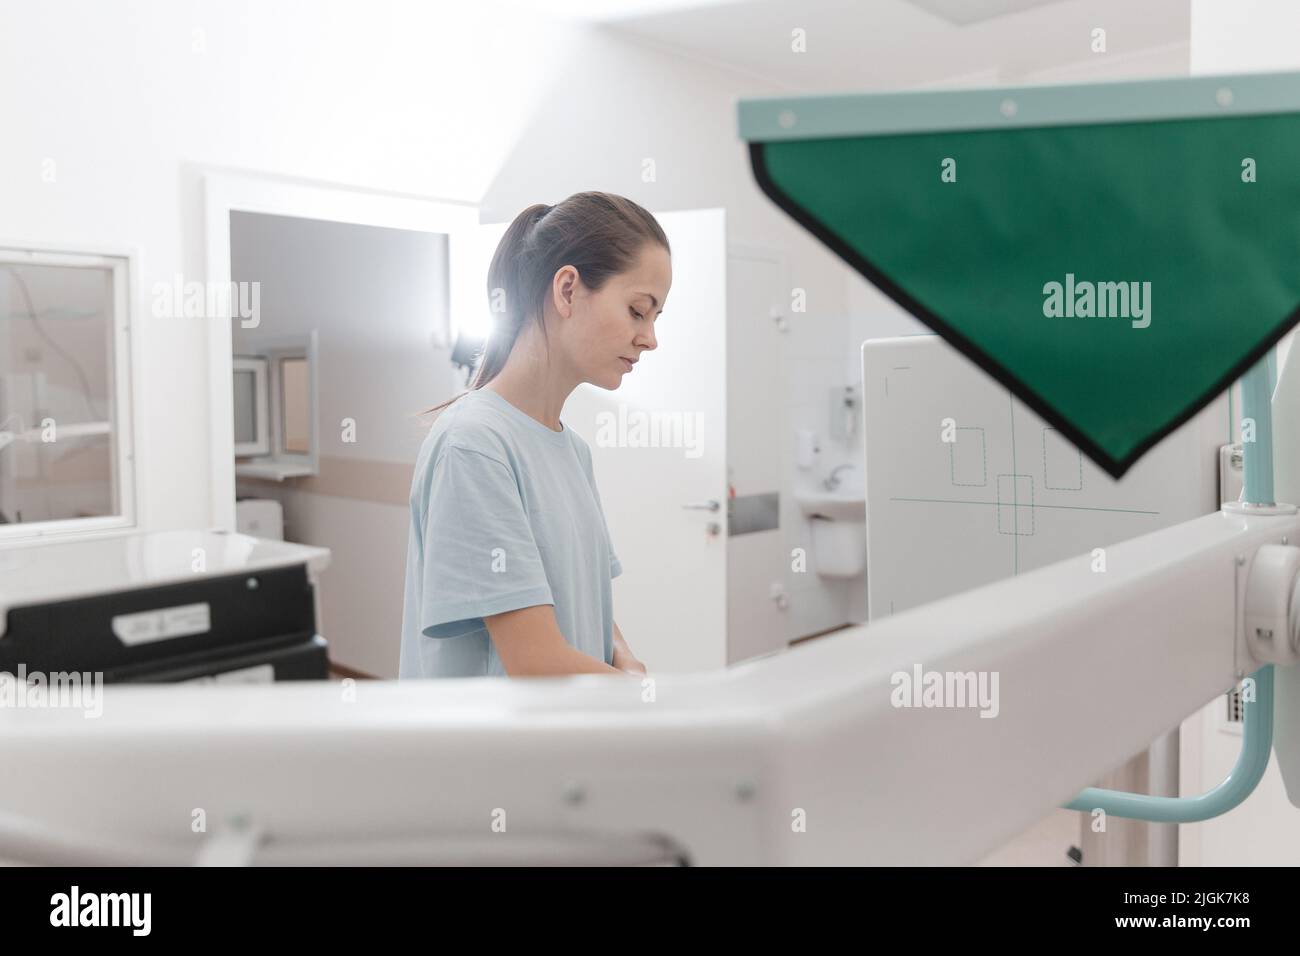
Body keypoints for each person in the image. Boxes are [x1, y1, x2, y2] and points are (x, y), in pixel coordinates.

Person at [399, 191, 671, 678]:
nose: (650, 338)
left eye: (655, 318)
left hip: (564, 741)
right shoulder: (475, 445)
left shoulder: (574, 451)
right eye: (637, 310)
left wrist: (622, 654)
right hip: (493, 753)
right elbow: (536, 662)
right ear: (567, 289)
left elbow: (579, 595)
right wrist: (657, 706)